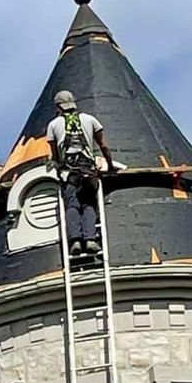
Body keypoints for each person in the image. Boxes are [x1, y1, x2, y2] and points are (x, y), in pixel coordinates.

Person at [43, 89, 118, 258]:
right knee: (89, 205)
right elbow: (103, 146)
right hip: (88, 171)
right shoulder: (90, 120)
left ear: (58, 107)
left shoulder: (54, 125)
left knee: (72, 205)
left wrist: (56, 165)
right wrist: (111, 165)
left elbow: (55, 155)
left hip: (69, 173)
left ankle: (75, 241)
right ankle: (90, 240)